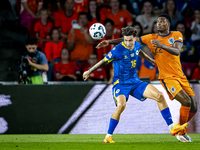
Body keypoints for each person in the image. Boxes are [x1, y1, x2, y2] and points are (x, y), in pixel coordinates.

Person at [96, 13, 198, 142]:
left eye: (162, 22)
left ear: (168, 24)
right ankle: (180, 132)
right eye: (157, 22)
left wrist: (161, 46)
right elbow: (130, 39)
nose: (159, 24)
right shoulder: (150, 38)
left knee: (194, 106)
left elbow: (177, 50)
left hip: (180, 75)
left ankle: (179, 129)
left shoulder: (176, 34)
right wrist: (109, 42)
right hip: (167, 77)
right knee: (186, 102)